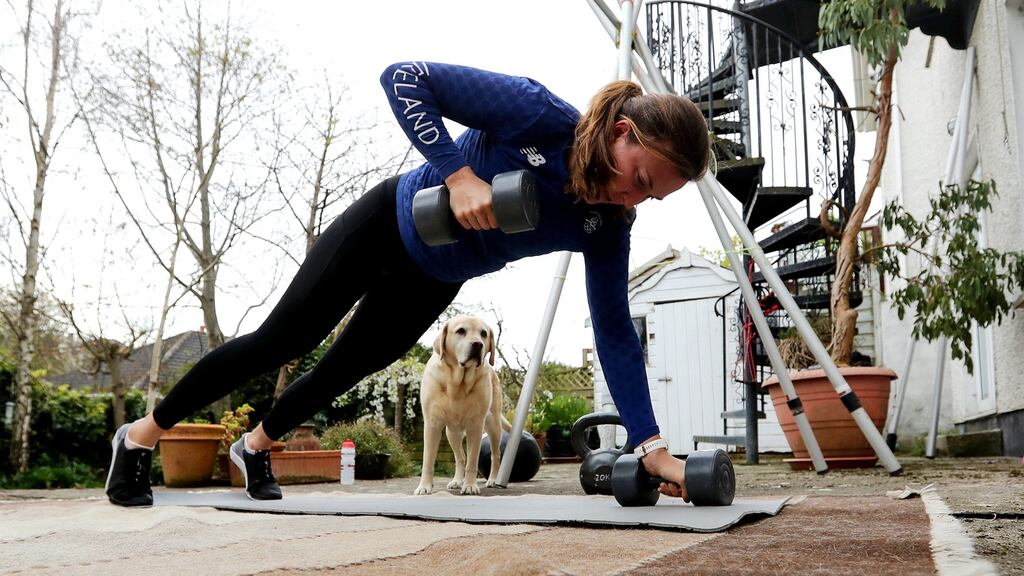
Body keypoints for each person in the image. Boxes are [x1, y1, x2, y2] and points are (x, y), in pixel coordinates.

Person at [105, 61, 710, 507]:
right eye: (640, 179)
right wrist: (459, 175)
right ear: (622, 132)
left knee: (342, 370)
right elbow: (404, 78)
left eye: (650, 197)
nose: (633, 199)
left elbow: (615, 333)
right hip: (387, 225)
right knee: (283, 341)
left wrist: (650, 445)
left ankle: (256, 447)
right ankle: (138, 439)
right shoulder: (537, 114)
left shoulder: (607, 223)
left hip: (434, 277)